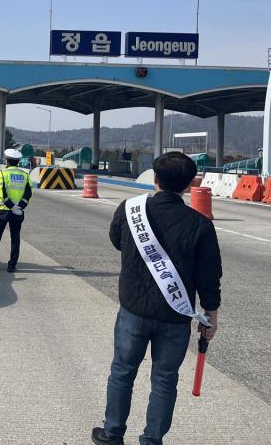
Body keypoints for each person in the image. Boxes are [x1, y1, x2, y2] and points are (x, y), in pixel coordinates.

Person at [91, 152, 222, 445]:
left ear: (155, 178)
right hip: (175, 317)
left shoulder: (129, 209)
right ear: (189, 185)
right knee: (164, 380)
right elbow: (209, 277)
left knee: (122, 372)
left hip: (133, 309)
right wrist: (210, 314)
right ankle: (152, 440)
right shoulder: (200, 224)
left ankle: (112, 433)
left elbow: (117, 240)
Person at [0, 148, 31, 272]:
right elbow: (28, 193)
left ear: (7, 161)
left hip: (3, 210)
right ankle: (12, 265)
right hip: (18, 211)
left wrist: (10, 206)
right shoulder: (25, 175)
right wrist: (19, 207)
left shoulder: (1, 173)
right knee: (15, 238)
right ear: (18, 161)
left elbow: (1, 192)